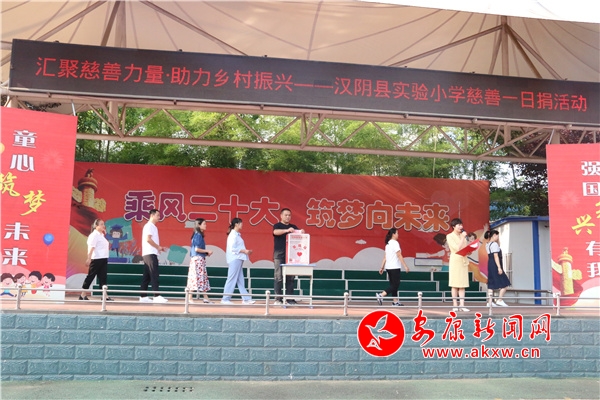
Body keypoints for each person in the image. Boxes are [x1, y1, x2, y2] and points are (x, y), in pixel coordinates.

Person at [272, 208, 305, 305]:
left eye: (289, 215)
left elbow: (299, 235)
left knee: (290, 278)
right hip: (279, 255)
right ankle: (278, 299)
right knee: (278, 277)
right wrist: (287, 230)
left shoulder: (293, 227)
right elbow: (275, 232)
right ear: (281, 216)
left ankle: (290, 299)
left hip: (291, 256)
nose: (287, 217)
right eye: (286, 215)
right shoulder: (277, 225)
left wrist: (301, 231)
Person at [221, 218, 255, 305]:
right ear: (236, 224)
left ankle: (246, 299)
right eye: (240, 223)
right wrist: (244, 251)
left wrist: (245, 251)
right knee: (232, 278)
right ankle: (225, 298)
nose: (242, 225)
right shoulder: (233, 235)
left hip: (238, 258)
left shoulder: (237, 235)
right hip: (235, 258)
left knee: (240, 280)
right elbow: (233, 248)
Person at [139, 209, 168, 303]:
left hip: (150, 253)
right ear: (152, 215)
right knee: (154, 274)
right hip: (150, 253)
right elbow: (148, 239)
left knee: (147, 276)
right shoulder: (149, 226)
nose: (159, 217)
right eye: (157, 215)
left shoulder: (152, 227)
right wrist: (158, 247)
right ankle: (156, 295)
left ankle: (143, 296)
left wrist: (159, 248)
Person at [376, 228, 410, 306]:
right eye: (397, 233)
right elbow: (399, 255)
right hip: (395, 266)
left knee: (393, 284)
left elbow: (385, 257)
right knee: (395, 284)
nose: (398, 235)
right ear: (393, 234)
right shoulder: (395, 243)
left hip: (388, 267)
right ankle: (381, 295)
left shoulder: (388, 244)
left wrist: (382, 267)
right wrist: (405, 266)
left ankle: (395, 301)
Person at [81, 219, 111, 301]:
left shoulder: (101, 235)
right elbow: (91, 247)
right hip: (96, 259)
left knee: (103, 277)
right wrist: (89, 258)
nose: (103, 226)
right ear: (96, 226)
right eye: (101, 224)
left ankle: (104, 296)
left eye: (103, 224)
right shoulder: (94, 235)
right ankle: (83, 294)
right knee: (91, 276)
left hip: (103, 258)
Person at [186, 218, 213, 304]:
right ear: (199, 225)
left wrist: (205, 253)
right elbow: (197, 249)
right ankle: (190, 297)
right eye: (204, 224)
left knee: (201, 278)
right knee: (196, 278)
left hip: (198, 259)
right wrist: (207, 251)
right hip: (198, 260)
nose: (205, 225)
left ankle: (205, 297)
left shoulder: (197, 235)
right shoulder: (198, 235)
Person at [446, 217, 470, 312]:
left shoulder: (462, 236)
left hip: (463, 260)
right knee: (455, 284)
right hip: (455, 261)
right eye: (459, 225)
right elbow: (456, 248)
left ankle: (462, 305)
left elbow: (464, 248)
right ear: (453, 226)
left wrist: (469, 250)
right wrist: (463, 237)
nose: (461, 227)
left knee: (462, 284)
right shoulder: (449, 236)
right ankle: (455, 304)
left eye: (461, 225)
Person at [484, 229, 511, 307]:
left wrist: (497, 240)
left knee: (491, 283)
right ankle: (500, 300)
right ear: (494, 235)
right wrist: (499, 267)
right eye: (497, 236)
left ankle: (489, 302)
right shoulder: (494, 244)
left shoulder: (487, 244)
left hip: (490, 264)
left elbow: (498, 245)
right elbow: (496, 256)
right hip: (495, 263)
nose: (498, 237)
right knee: (505, 283)